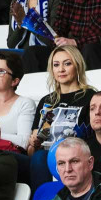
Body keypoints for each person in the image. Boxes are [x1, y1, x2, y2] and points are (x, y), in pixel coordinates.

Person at [27, 45, 94, 192]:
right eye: (56, 65)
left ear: (77, 65)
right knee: (38, 157)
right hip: (46, 157)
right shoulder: (48, 101)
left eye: (67, 63)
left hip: (75, 157)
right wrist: (34, 143)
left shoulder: (90, 97)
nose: (61, 69)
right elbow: (33, 151)